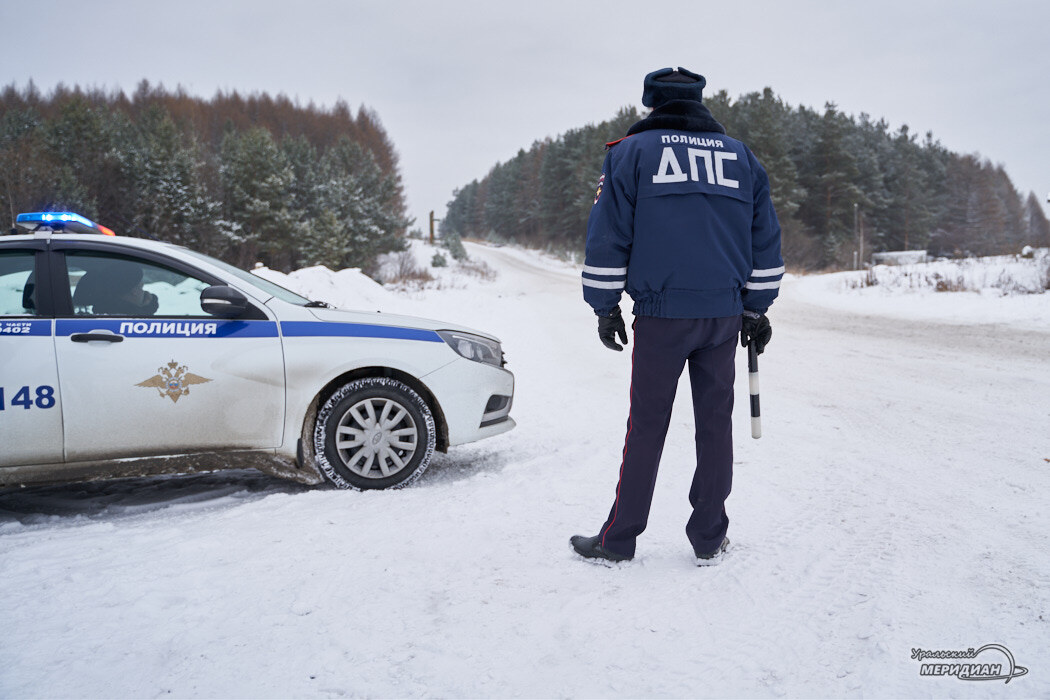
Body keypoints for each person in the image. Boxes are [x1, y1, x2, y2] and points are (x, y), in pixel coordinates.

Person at [570, 67, 783, 566]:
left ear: (653, 103)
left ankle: (619, 539)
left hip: (662, 316)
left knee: (647, 424)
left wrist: (604, 307)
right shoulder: (742, 158)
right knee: (716, 424)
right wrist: (757, 307)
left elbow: (607, 236)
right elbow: (766, 241)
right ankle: (710, 536)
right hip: (723, 316)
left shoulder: (631, 154)